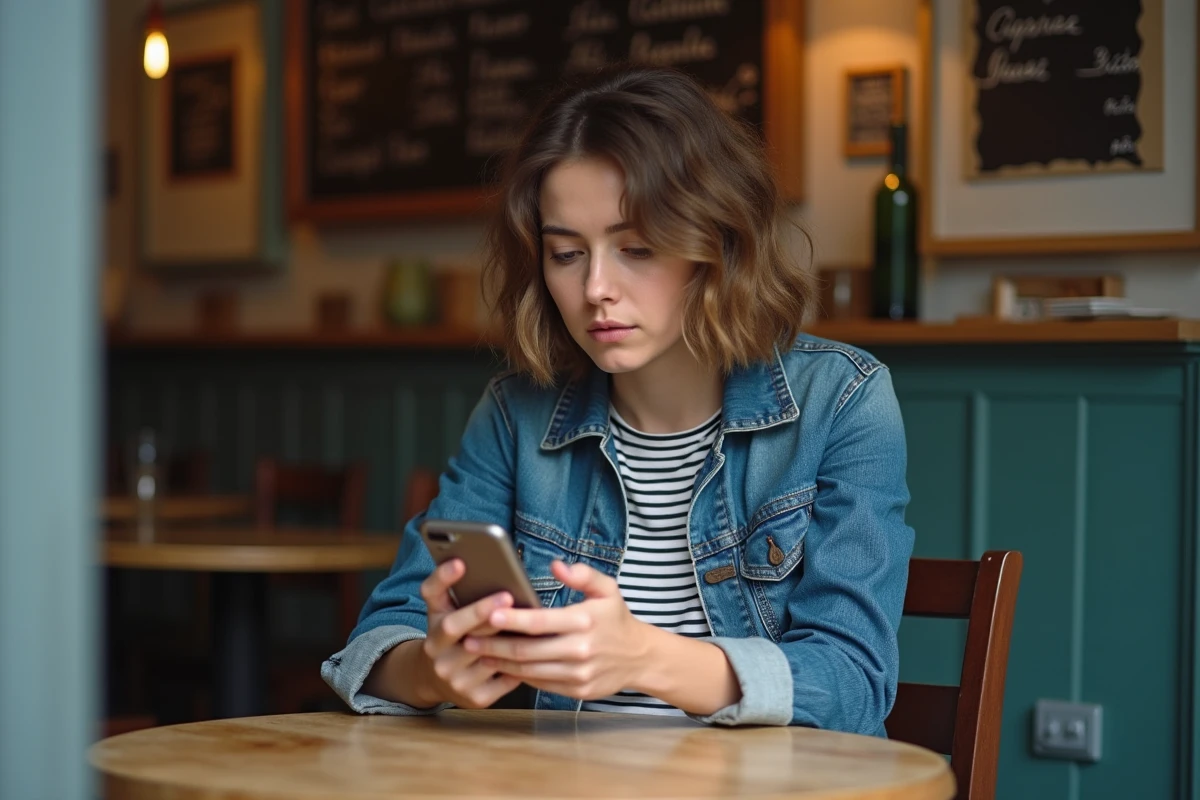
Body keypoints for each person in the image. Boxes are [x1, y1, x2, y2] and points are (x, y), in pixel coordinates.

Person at [322, 65, 914, 733]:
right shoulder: (516, 413)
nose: (597, 287)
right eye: (567, 255)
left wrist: (646, 660)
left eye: (635, 247)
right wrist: (434, 668)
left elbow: (854, 683)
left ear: (715, 242)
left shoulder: (844, 399)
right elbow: (376, 642)